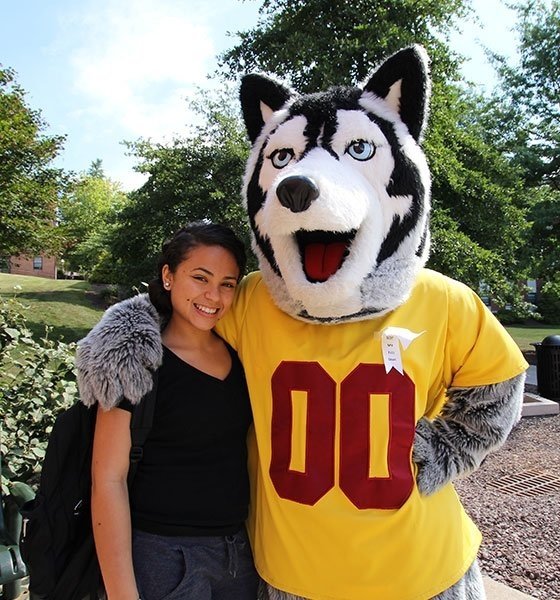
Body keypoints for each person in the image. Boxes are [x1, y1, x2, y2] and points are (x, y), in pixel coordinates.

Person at [87, 221, 258, 600]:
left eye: (228, 283)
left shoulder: (242, 356)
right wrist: (121, 593)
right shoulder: (135, 360)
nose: (213, 295)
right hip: (163, 557)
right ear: (168, 276)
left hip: (238, 556)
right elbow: (108, 480)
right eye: (200, 278)